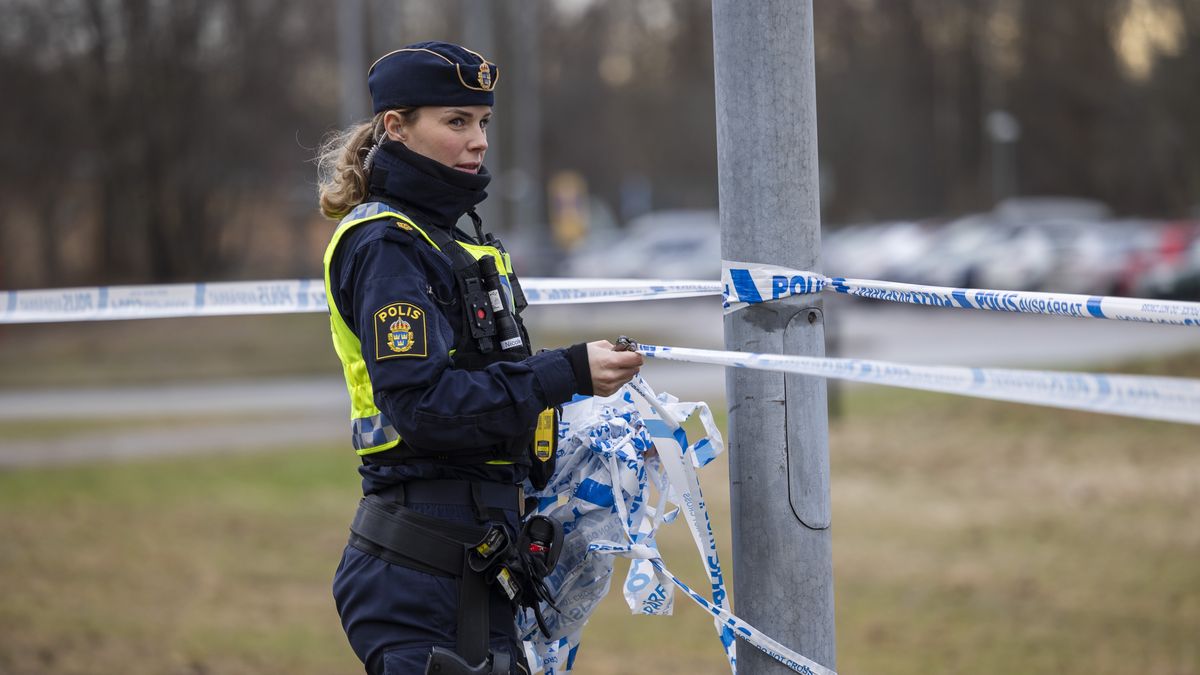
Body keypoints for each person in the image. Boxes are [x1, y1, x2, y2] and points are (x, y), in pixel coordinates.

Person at [316, 41, 643, 675]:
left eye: (483, 122)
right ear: (396, 126)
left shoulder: (443, 237)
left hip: (475, 563)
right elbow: (425, 407)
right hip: (419, 575)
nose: (479, 142)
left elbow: (480, 378)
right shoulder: (386, 244)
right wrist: (566, 373)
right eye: (456, 121)